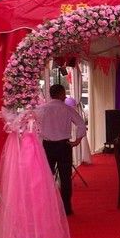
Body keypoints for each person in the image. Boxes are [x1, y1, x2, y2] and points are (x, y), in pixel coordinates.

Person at [39, 84, 87, 215]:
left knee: (47, 178)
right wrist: (77, 141)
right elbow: (81, 124)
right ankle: (66, 208)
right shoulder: (67, 109)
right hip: (63, 145)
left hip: (47, 146)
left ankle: (47, 207)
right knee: (65, 178)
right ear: (61, 94)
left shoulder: (42, 109)